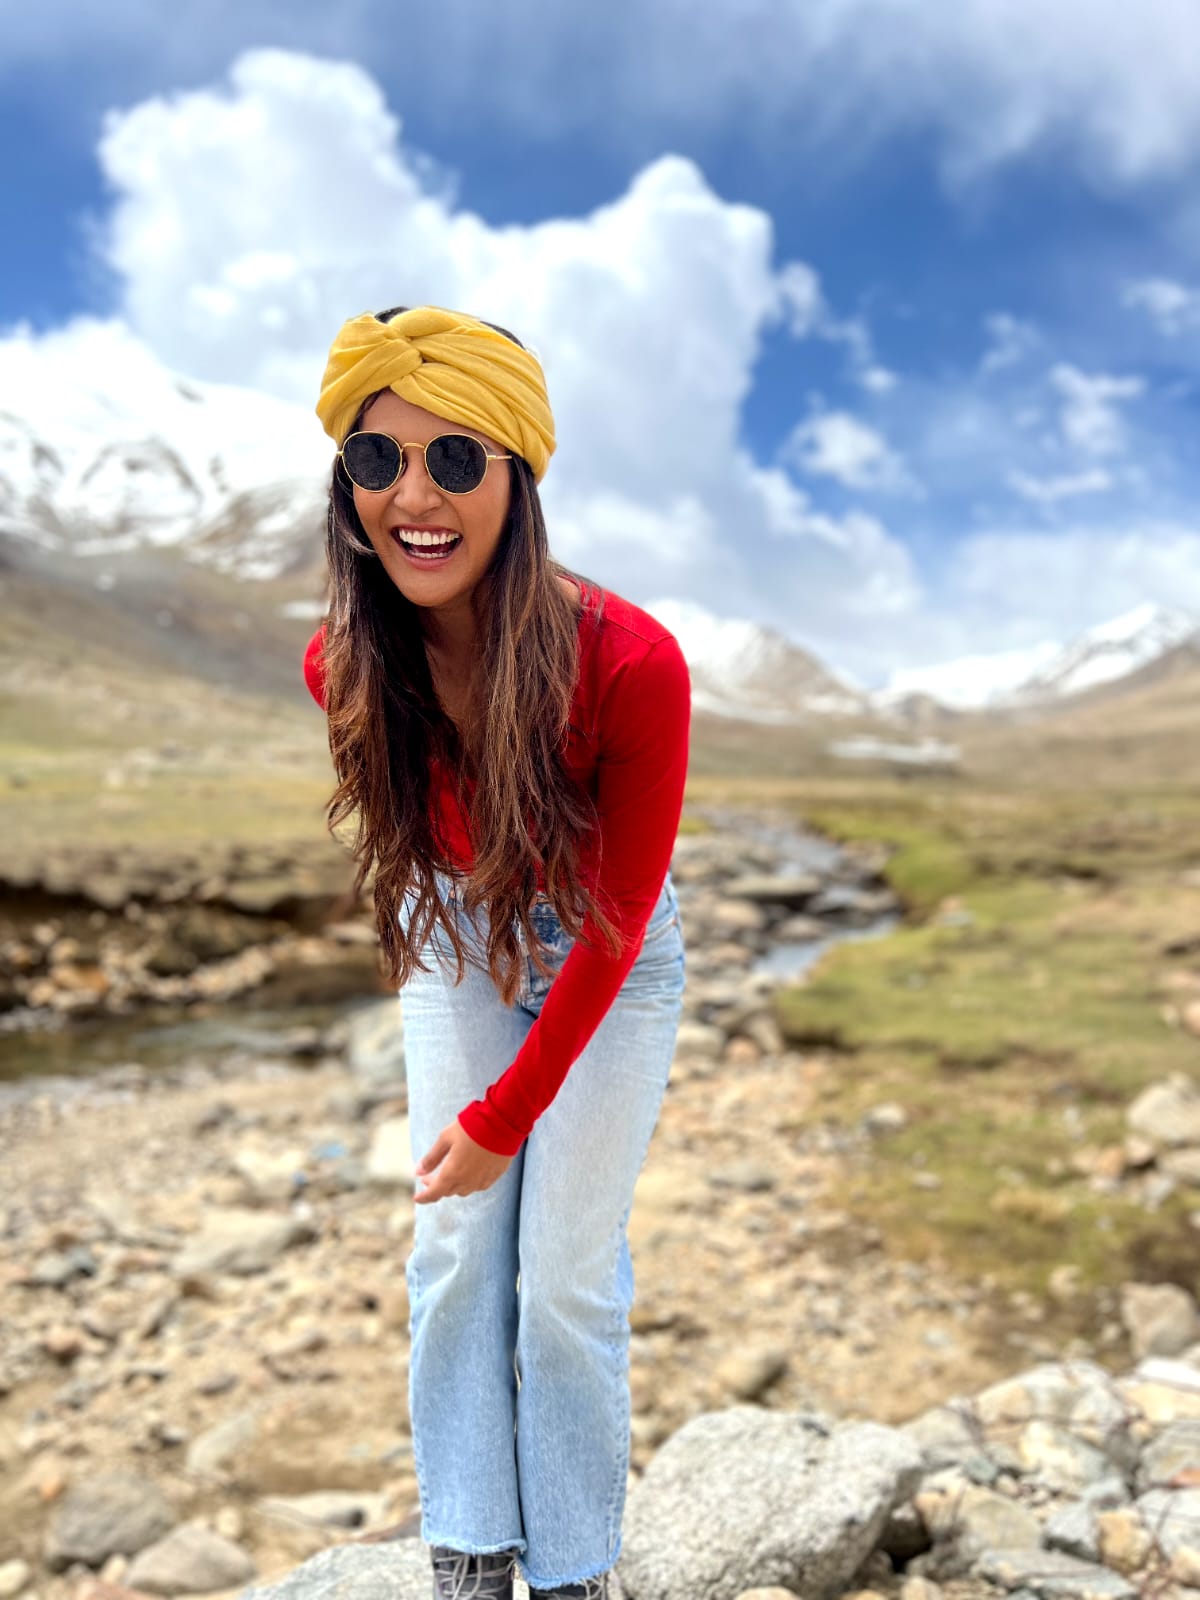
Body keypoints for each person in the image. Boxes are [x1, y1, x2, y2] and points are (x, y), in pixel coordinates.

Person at [302, 304, 691, 1600]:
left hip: (609, 950)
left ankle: (574, 1570)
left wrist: (504, 1114)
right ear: (348, 483)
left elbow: (618, 917)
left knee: (565, 1277)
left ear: (519, 478)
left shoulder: (633, 664)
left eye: (457, 458)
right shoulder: (343, 666)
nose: (414, 498)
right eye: (377, 459)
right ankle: (469, 1552)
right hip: (465, 933)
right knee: (457, 1248)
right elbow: (434, 850)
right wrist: (476, 1015)